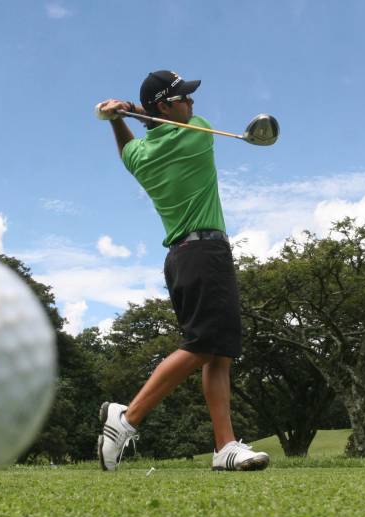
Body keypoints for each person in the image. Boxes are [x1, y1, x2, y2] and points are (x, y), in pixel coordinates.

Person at [94, 70, 269, 472]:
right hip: (204, 252)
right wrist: (132, 110)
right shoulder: (199, 133)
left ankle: (224, 446)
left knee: (219, 353)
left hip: (182, 258)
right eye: (183, 99)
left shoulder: (139, 158)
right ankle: (128, 418)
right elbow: (158, 123)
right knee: (204, 345)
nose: (192, 105)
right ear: (164, 107)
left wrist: (119, 117)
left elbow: (127, 149)